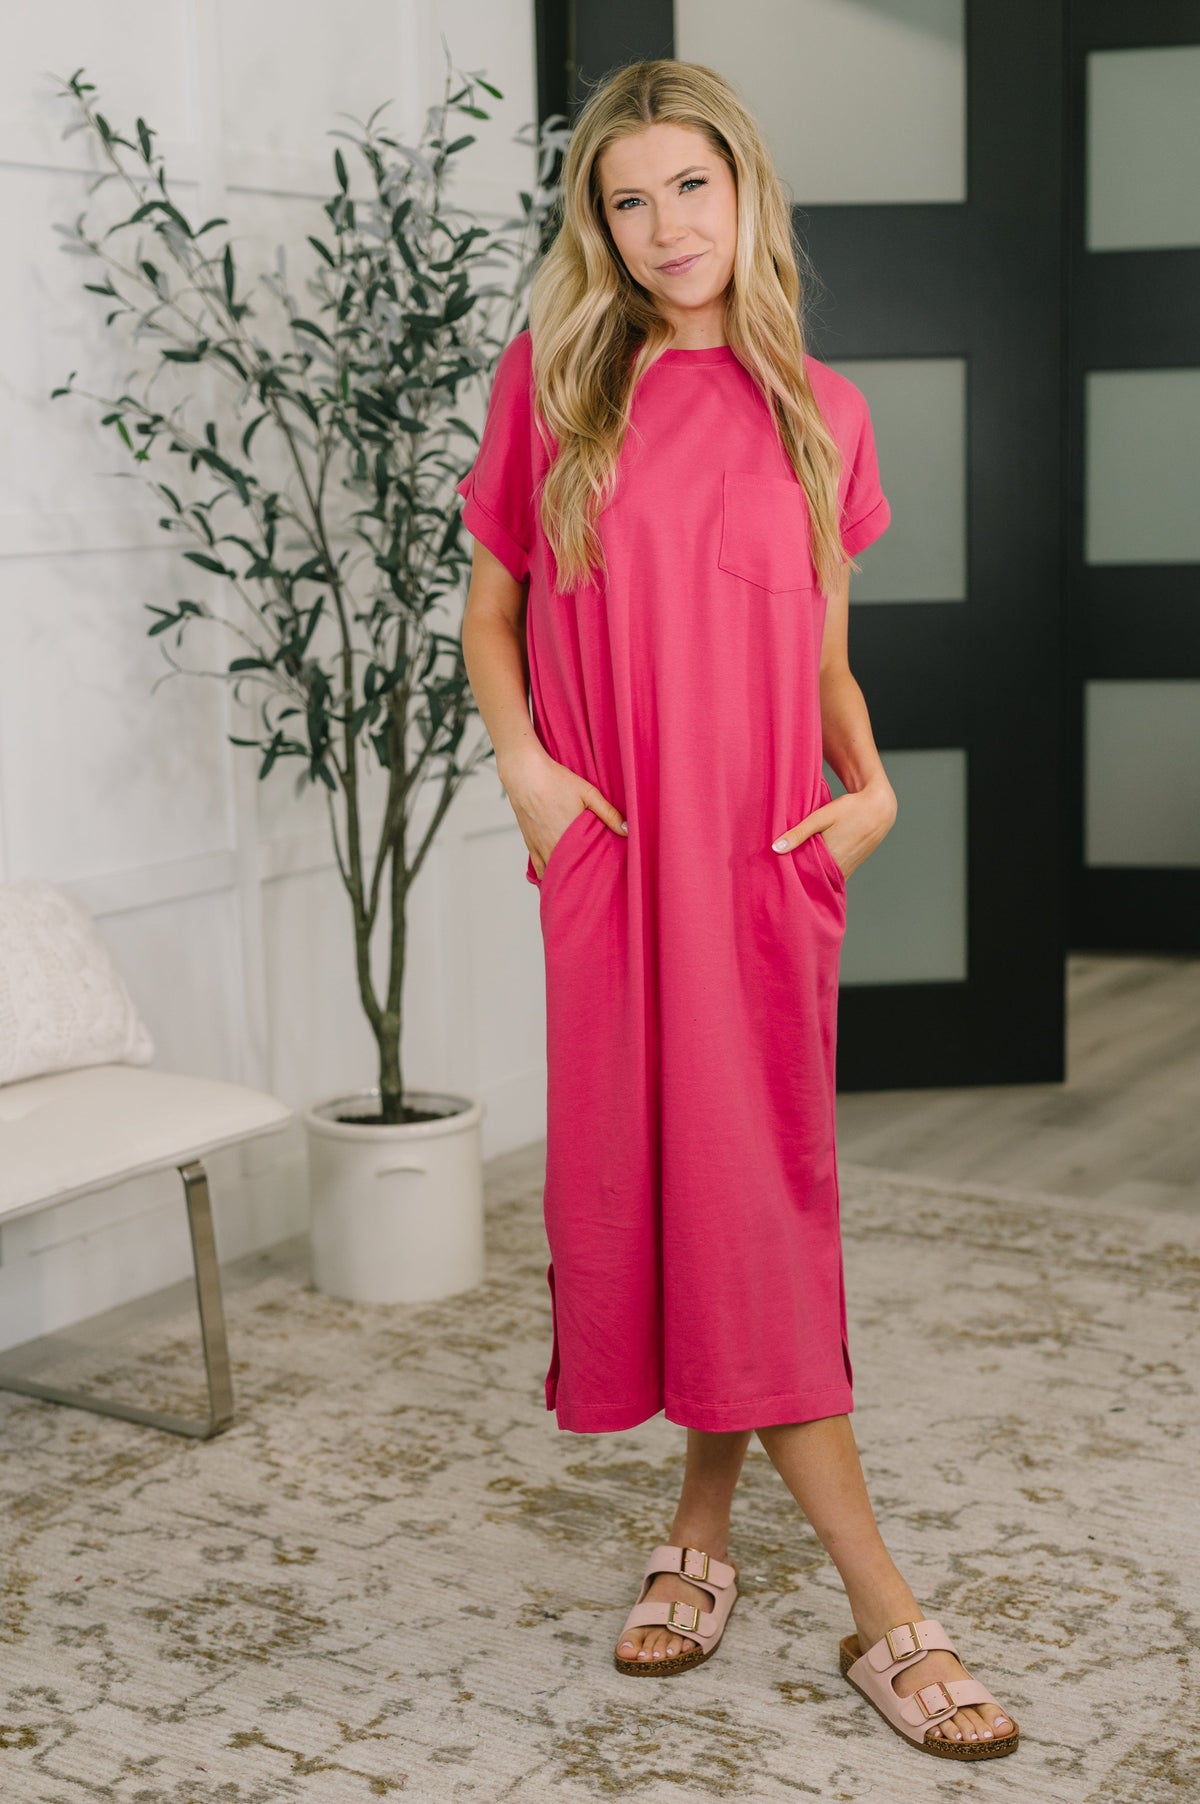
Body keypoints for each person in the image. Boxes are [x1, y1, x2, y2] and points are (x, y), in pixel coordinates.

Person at [458, 59, 1018, 1760]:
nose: (662, 226)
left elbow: (828, 655)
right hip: (617, 854)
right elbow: (491, 619)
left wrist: (877, 789)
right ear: (598, 225)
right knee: (666, 1201)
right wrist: (532, 784)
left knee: (752, 1213)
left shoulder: (820, 410)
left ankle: (874, 1609)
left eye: (687, 187)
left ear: (744, 192)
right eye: (626, 200)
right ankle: (704, 1536)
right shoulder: (552, 385)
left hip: (767, 862)